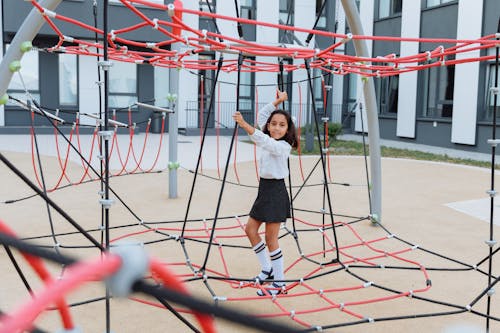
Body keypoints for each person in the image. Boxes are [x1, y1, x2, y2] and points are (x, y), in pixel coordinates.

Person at [232, 89, 298, 296]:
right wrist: (277, 101)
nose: (277, 128)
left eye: (282, 125)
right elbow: (263, 116)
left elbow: (264, 141)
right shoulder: (268, 132)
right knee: (250, 230)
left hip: (276, 191)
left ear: (288, 129)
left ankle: (280, 284)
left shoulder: (283, 146)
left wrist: (244, 125)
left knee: (271, 239)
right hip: (265, 189)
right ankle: (267, 269)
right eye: (274, 124)